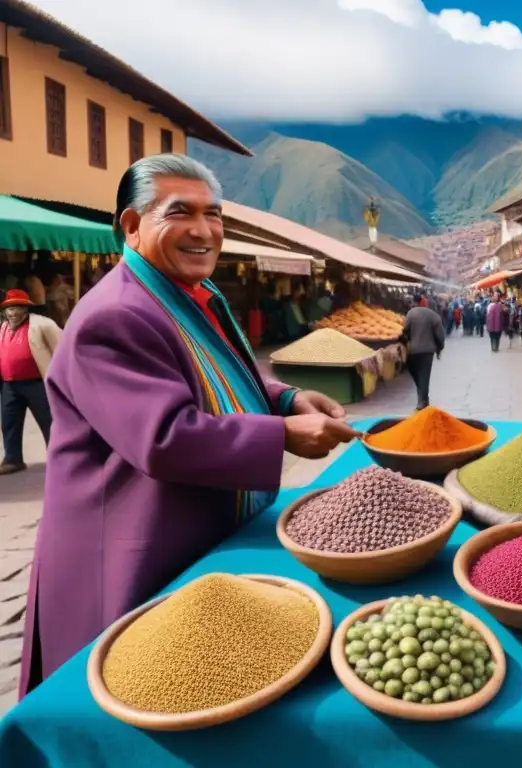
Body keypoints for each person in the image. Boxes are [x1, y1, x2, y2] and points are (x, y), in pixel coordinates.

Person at [19, 154, 362, 698]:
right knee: (135, 695)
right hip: (132, 544)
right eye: (181, 213)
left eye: (214, 214)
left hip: (196, 524)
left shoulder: (184, 295)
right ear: (131, 225)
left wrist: (286, 398)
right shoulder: (115, 315)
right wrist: (283, 437)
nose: (204, 231)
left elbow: (211, 381)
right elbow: (165, 437)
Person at [1, 289, 62, 476]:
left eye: (17, 307)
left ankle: (58, 458)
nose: (13, 313)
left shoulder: (42, 324)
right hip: (9, 385)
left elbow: (62, 347)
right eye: (9, 308)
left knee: (49, 421)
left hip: (37, 383)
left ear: (26, 308)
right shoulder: (3, 327)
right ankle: (13, 458)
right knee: (9, 422)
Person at [403, 293, 445, 409]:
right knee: (424, 375)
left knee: (417, 374)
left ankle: (422, 400)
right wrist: (439, 348)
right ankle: (423, 401)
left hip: (413, 350)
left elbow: (404, 329)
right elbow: (440, 335)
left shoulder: (411, 313)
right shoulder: (434, 316)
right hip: (427, 351)